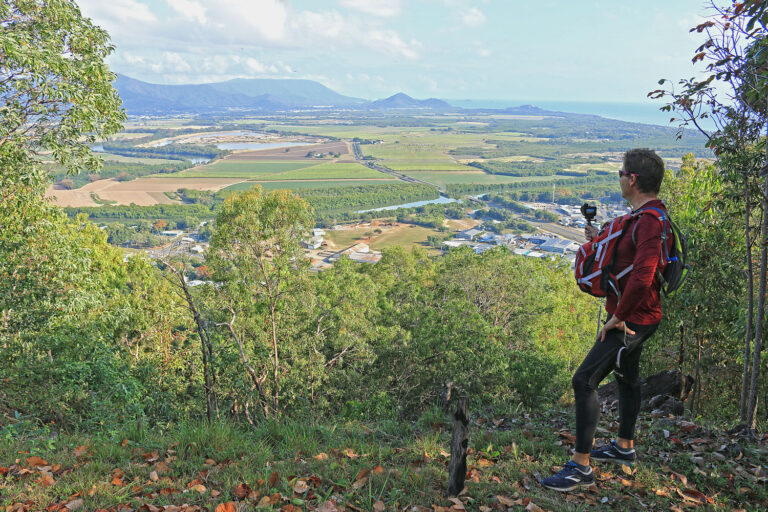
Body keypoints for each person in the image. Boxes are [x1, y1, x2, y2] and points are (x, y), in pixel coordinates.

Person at [542, 148, 672, 492]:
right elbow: (629, 256)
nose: (619, 178)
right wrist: (599, 239)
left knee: (584, 380)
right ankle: (623, 447)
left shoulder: (649, 221)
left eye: (621, 173)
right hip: (641, 315)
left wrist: (617, 317)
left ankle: (580, 467)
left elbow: (644, 275)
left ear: (632, 180)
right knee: (628, 378)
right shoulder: (649, 216)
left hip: (632, 319)